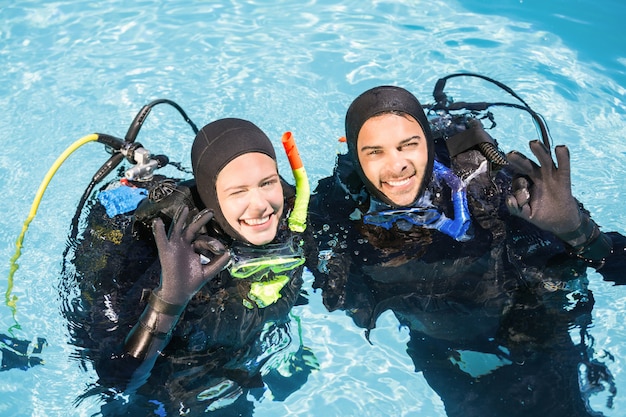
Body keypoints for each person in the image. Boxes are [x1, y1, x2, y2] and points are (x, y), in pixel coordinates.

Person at [307, 84, 626, 416]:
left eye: (409, 145)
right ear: (356, 156)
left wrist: (575, 229)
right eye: (375, 151)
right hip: (443, 352)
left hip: (531, 330)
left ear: (428, 145)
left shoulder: (490, 187)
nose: (396, 165)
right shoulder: (333, 214)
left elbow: (613, 261)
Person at [62, 118, 317, 416]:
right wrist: (169, 301)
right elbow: (115, 379)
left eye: (267, 183)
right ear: (212, 195)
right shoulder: (176, 258)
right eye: (238, 191)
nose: (260, 204)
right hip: (161, 388)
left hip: (235, 369)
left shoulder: (288, 220)